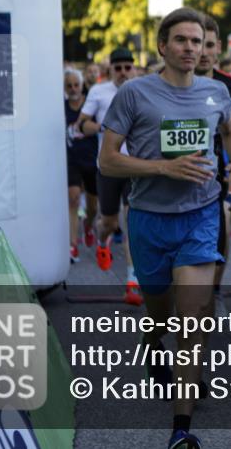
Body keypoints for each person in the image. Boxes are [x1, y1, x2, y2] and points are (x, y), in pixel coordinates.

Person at [100, 7, 231, 449]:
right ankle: (151, 337)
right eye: (182, 40)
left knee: (191, 319)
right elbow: (107, 160)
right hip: (148, 218)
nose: (191, 49)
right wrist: (164, 167)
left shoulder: (216, 91)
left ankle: (180, 429)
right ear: (163, 46)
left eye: (199, 42)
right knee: (162, 313)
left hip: (201, 217)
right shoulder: (133, 93)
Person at [74, 48, 141, 303]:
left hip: (135, 166)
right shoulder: (98, 92)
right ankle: (102, 240)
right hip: (108, 167)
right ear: (110, 70)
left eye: (128, 67)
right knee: (110, 223)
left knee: (132, 221)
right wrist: (107, 127)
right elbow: (82, 123)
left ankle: (132, 282)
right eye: (118, 68)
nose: (123, 72)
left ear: (134, 69)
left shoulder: (142, 90)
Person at [194, 16, 231, 286]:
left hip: (215, 171)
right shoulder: (162, 84)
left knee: (217, 234)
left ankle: (215, 290)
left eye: (208, 44)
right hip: (172, 175)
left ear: (218, 47)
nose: (203, 52)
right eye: (198, 44)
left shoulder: (229, 85)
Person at [64, 67, 99, 263]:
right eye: (68, 85)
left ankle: (88, 224)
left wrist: (92, 128)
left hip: (92, 159)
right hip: (72, 160)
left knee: (93, 206)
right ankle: (72, 245)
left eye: (76, 84)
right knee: (73, 198)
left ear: (81, 85)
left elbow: (101, 126)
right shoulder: (61, 107)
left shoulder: (90, 106)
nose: (73, 88)